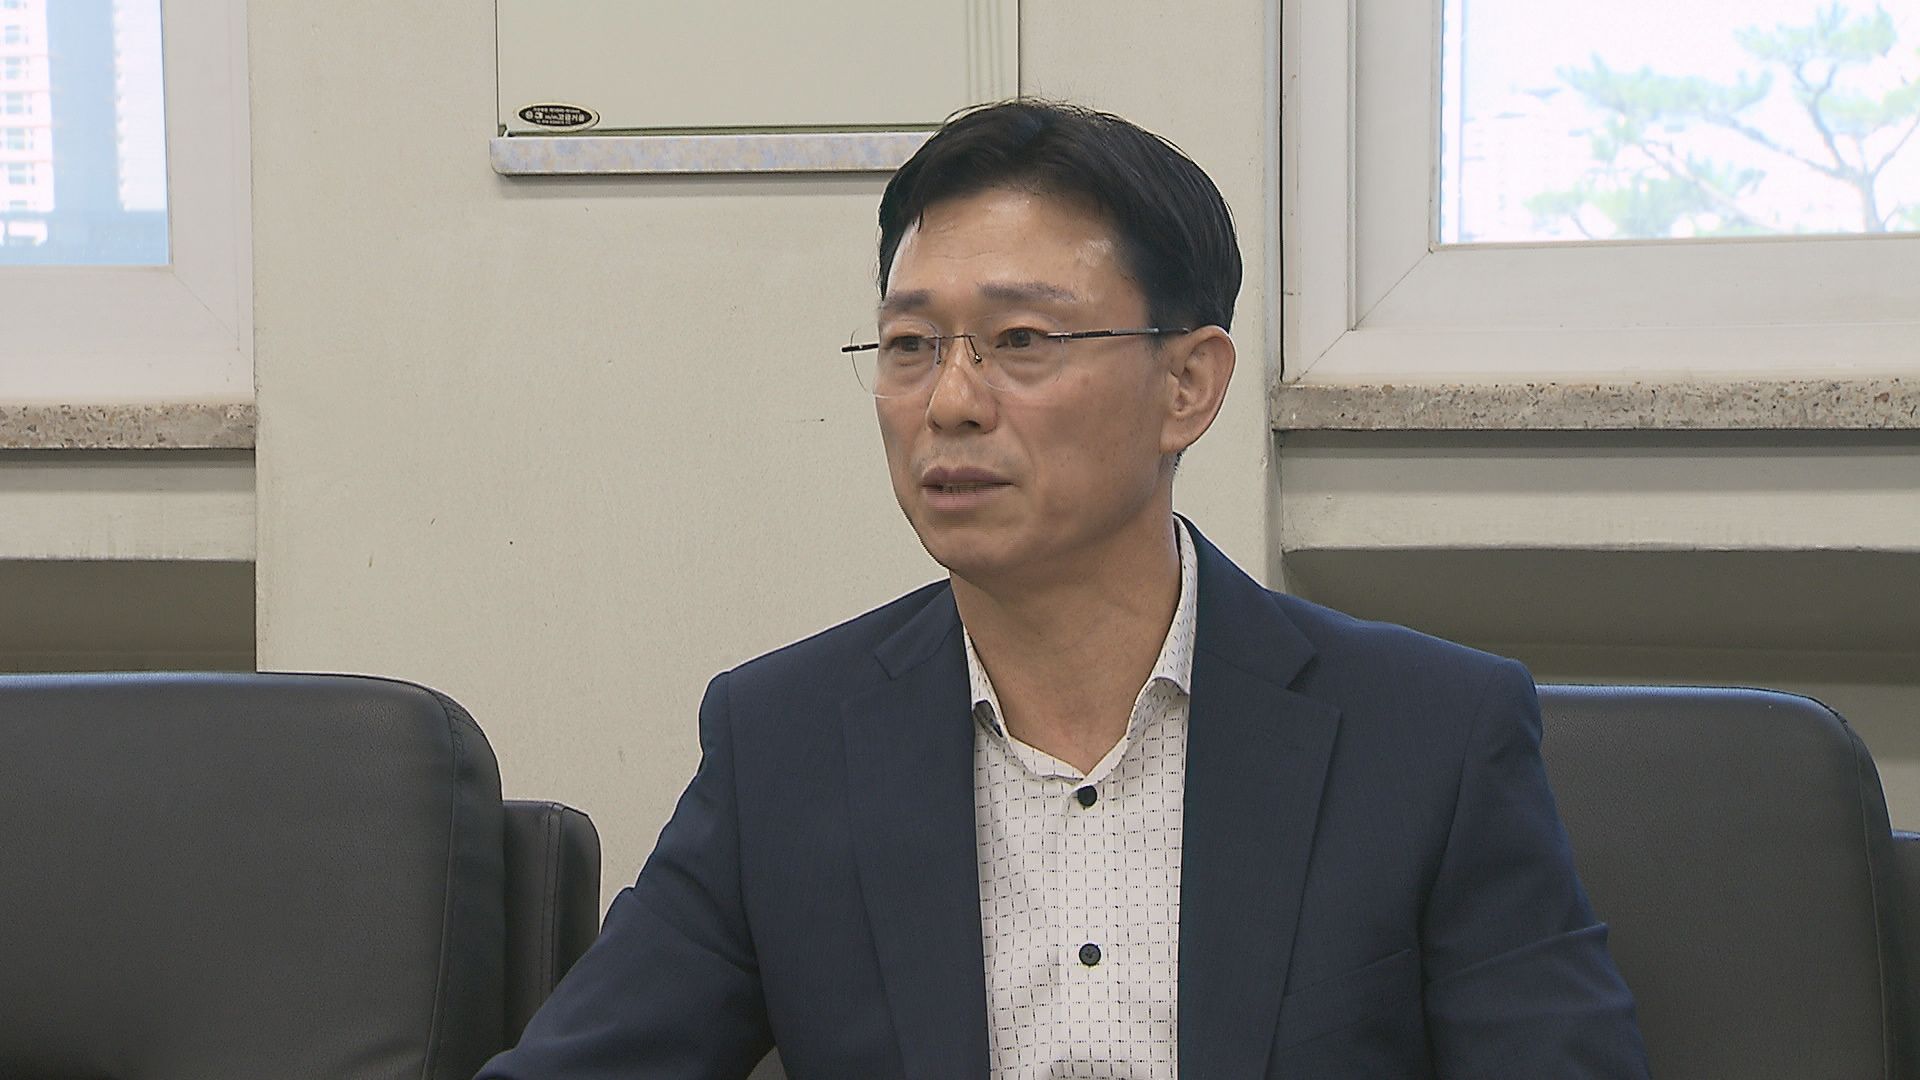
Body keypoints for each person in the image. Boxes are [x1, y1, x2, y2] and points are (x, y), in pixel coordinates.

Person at [477, 100, 1648, 1080]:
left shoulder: (1428, 735)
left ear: (1187, 385)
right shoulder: (786, 742)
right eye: (911, 345)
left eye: (1022, 339)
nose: (950, 402)